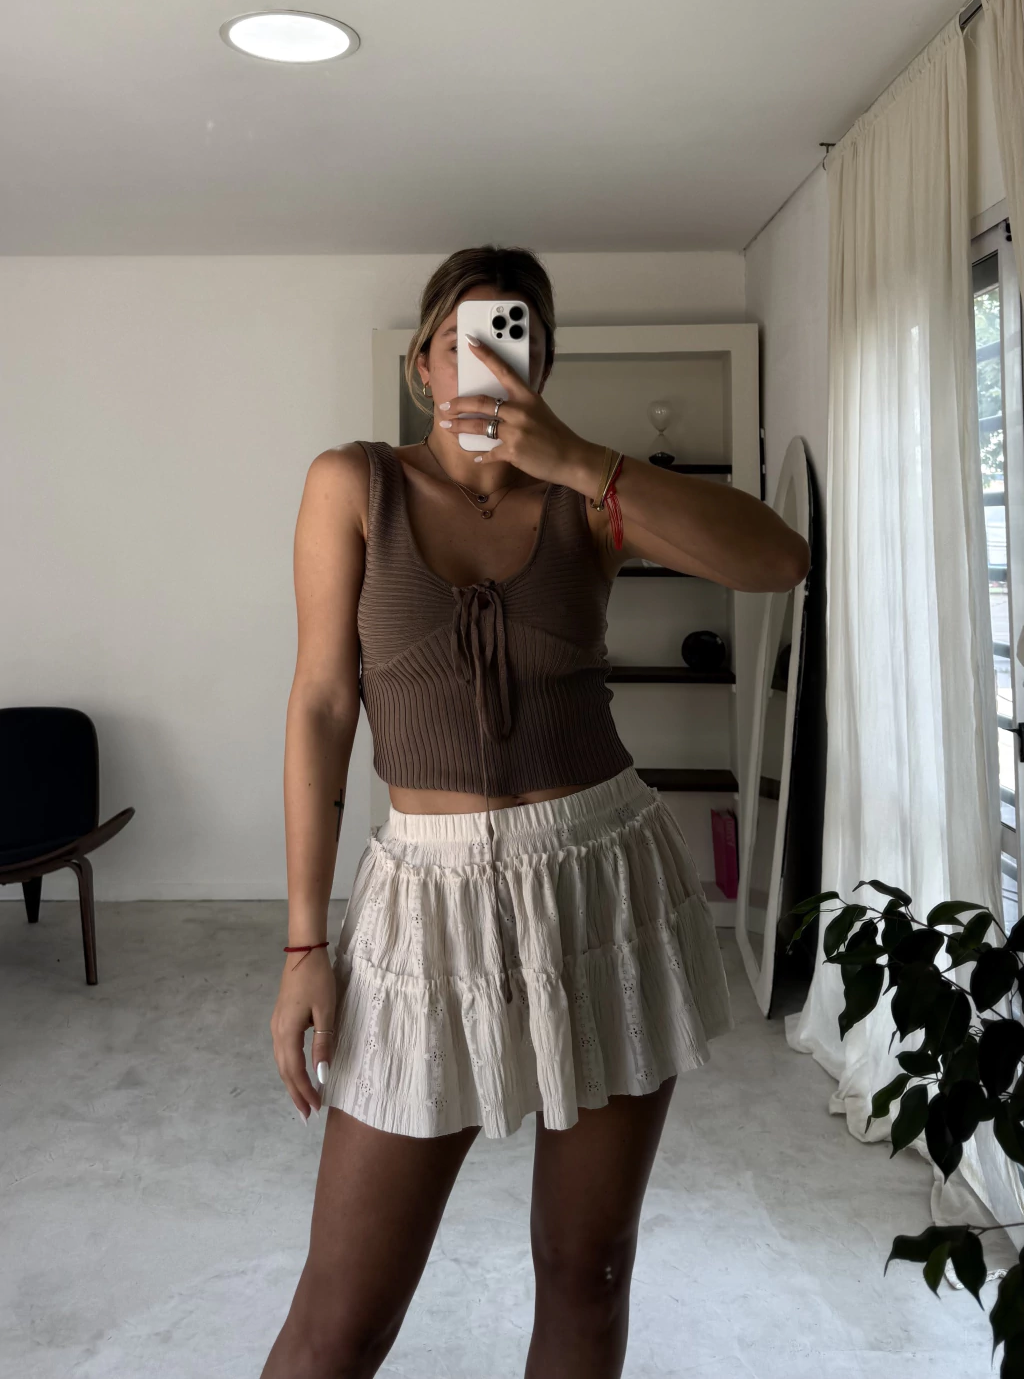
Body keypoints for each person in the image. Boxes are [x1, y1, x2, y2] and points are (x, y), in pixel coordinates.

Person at [261, 245, 810, 1379]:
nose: (483, 364)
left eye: (514, 342)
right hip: (429, 898)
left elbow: (778, 559)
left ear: (543, 369)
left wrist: (578, 459)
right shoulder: (353, 484)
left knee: (587, 1267)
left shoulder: (589, 500)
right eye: (458, 341)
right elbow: (320, 704)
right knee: (341, 1316)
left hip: (603, 884)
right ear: (421, 365)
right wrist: (305, 944)